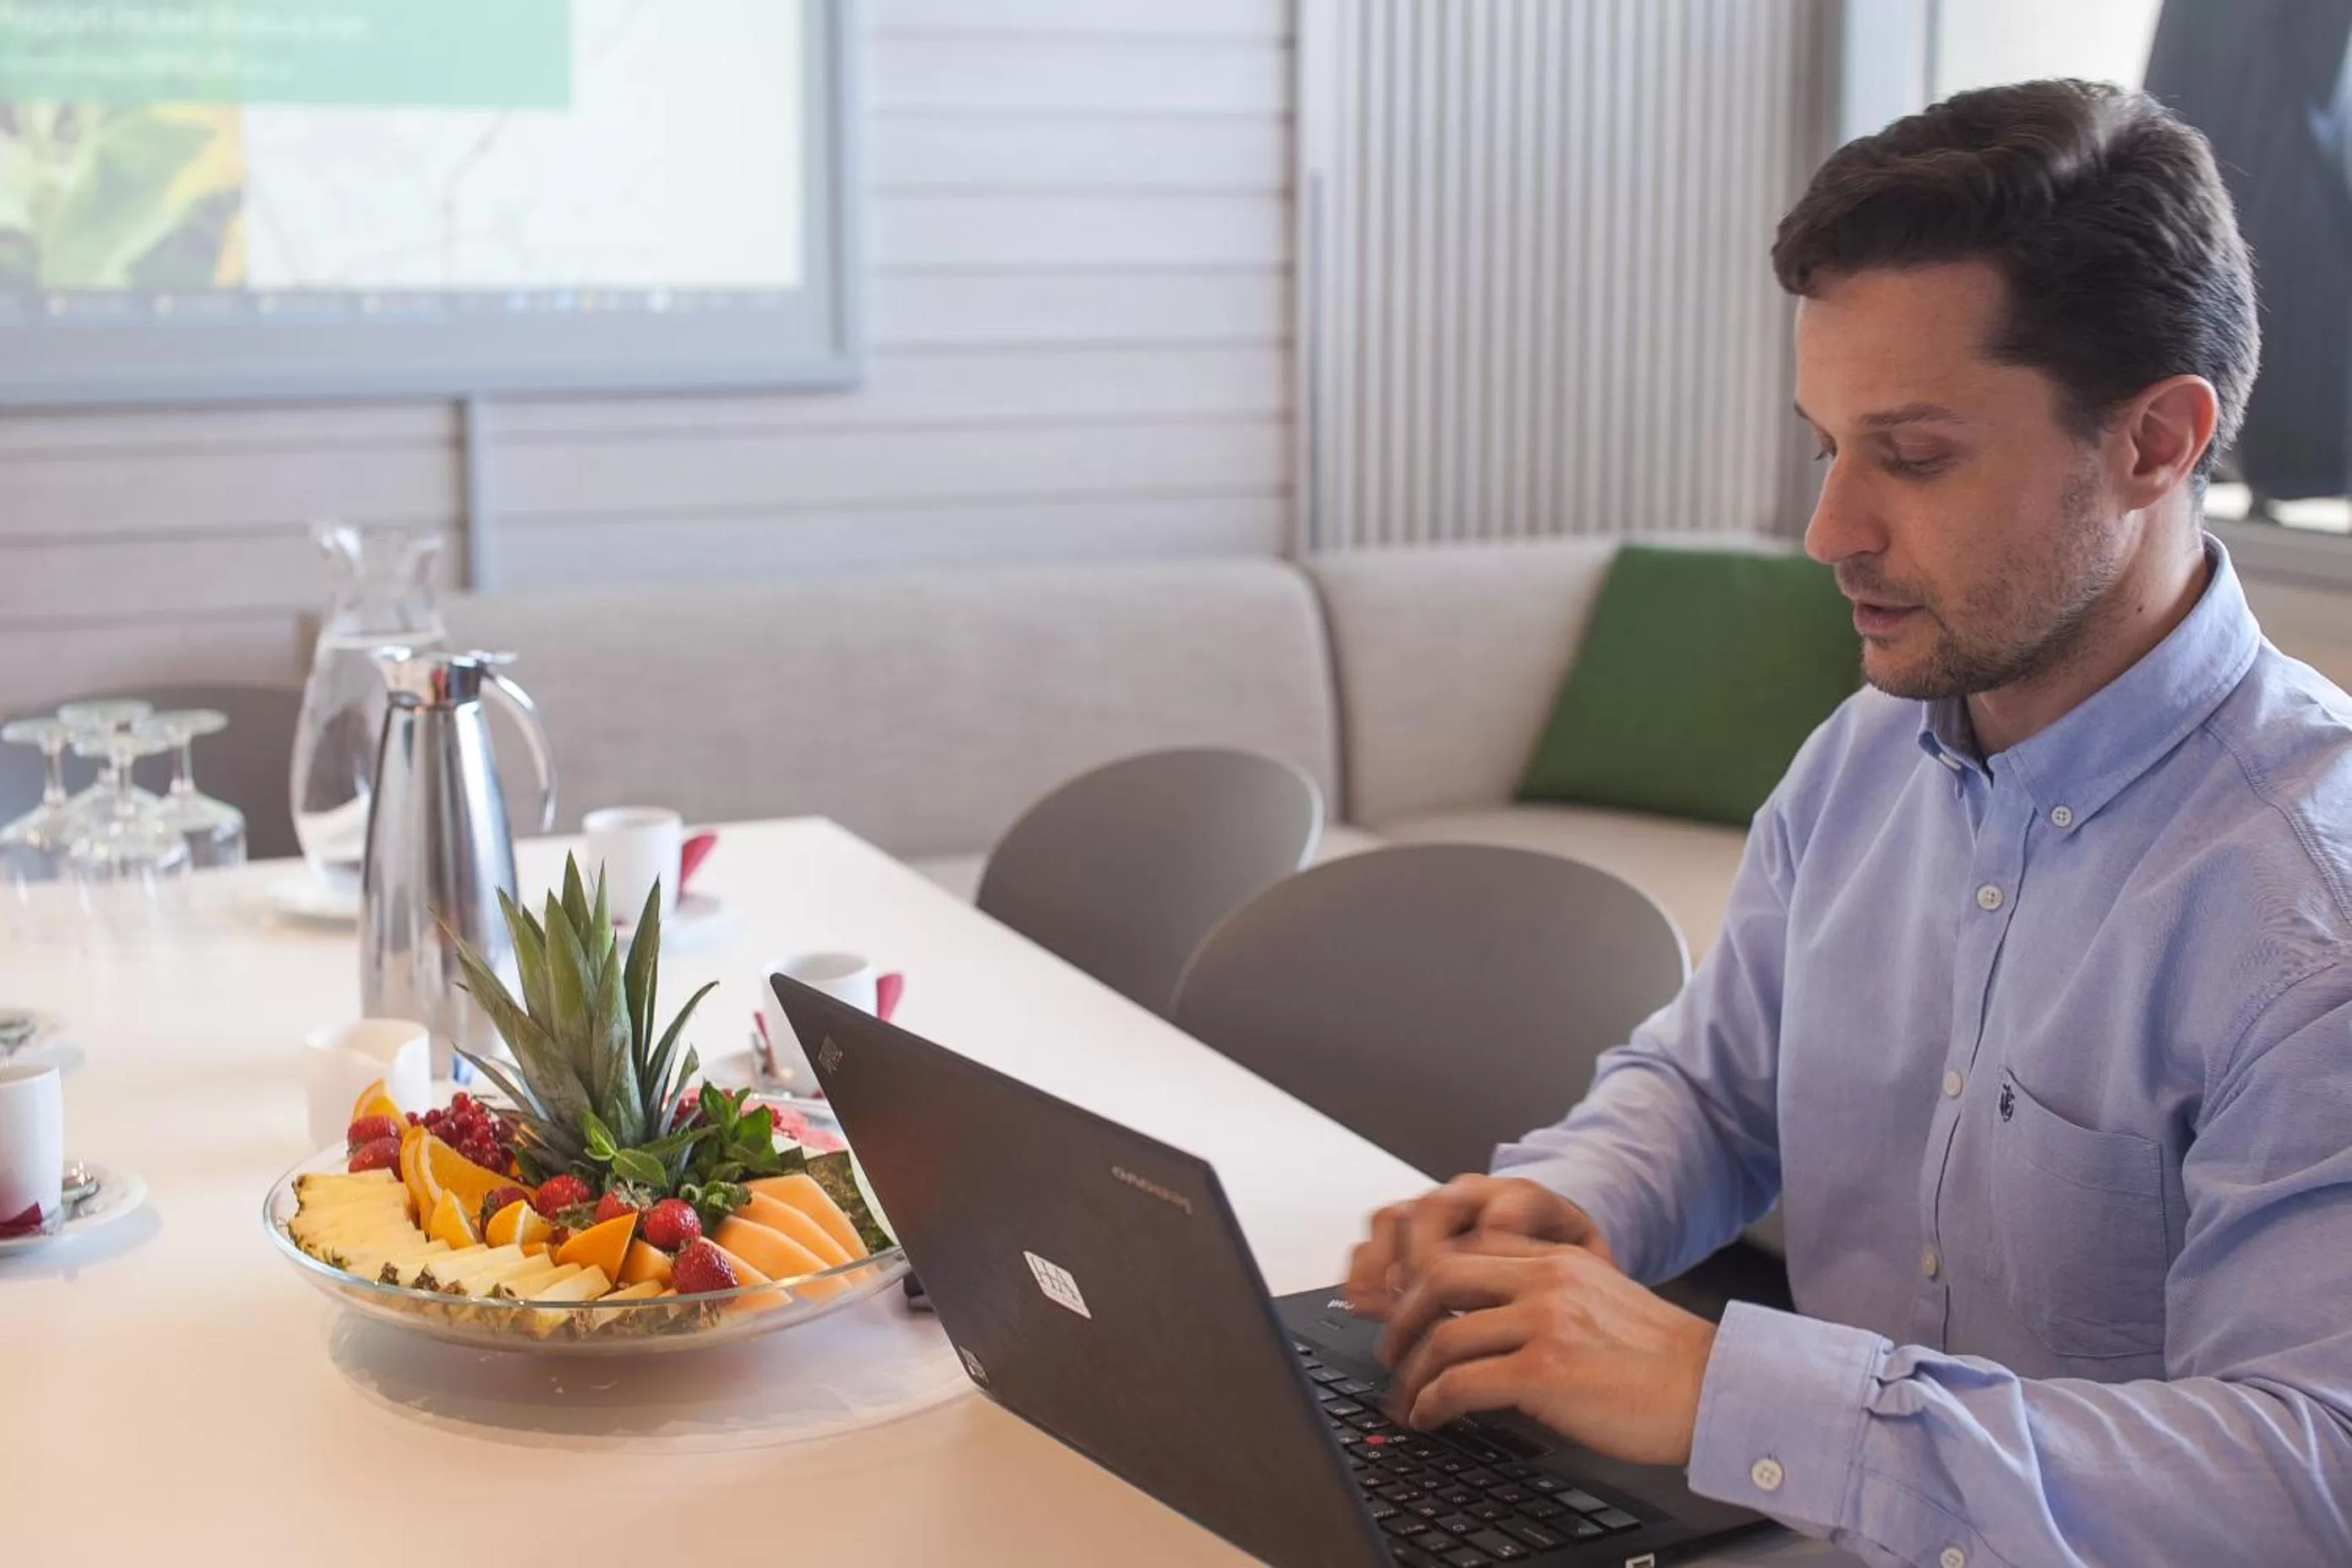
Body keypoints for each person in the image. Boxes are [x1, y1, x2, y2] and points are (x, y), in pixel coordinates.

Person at [1347, 79, 2352, 1567]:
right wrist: (1562, 1209)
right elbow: (1716, 1088)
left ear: (2156, 441)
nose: (1832, 530)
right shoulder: (1870, 752)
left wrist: (1722, 1387)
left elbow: (2308, 1470)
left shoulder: (2305, 909)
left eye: (1916, 455)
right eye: (1829, 445)